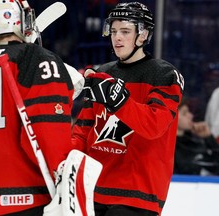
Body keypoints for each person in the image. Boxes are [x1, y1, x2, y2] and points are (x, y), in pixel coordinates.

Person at [0, 0, 75, 215]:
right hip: (25, 193)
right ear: (23, 20)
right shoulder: (37, 58)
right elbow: (47, 129)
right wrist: (62, 175)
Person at [72, 2, 184, 216]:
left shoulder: (164, 75)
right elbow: (84, 130)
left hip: (138, 193)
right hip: (94, 189)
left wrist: (119, 101)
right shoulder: (102, 73)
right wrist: (65, 157)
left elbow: (154, 126)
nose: (117, 38)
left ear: (143, 35)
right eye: (114, 31)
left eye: (125, 31)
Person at [174, 97, 219, 175]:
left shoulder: (195, 143)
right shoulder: (166, 147)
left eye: (189, 112)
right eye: (184, 113)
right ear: (172, 116)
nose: (191, 116)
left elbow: (216, 166)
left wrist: (208, 138)